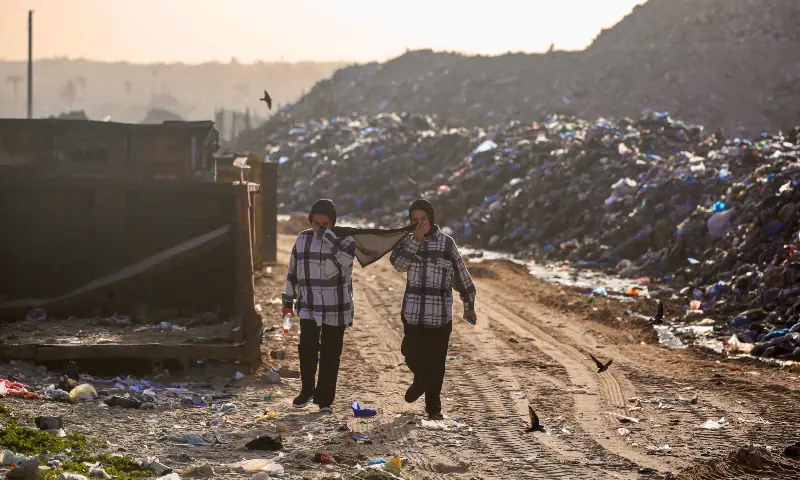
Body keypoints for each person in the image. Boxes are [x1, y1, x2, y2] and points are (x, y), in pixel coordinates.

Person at [390, 199, 477, 420]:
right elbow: (398, 265)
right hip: (413, 315)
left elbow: (461, 276)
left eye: (423, 220)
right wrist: (415, 240)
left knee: (436, 363)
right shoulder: (407, 242)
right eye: (414, 221)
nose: (419, 224)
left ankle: (433, 408)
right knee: (411, 354)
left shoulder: (447, 244)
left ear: (432, 219)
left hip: (439, 317)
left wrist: (469, 306)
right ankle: (420, 381)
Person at [282, 199, 356, 414]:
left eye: (326, 225)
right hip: (309, 304)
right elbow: (293, 272)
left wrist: (329, 239)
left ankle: (325, 399)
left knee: (331, 354)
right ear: (310, 221)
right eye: (317, 224)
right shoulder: (302, 239)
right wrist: (287, 302)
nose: (320, 229)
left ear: (333, 223)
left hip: (336, 307)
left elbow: (345, 263)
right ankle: (306, 390)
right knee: (306, 348)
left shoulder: (345, 241)